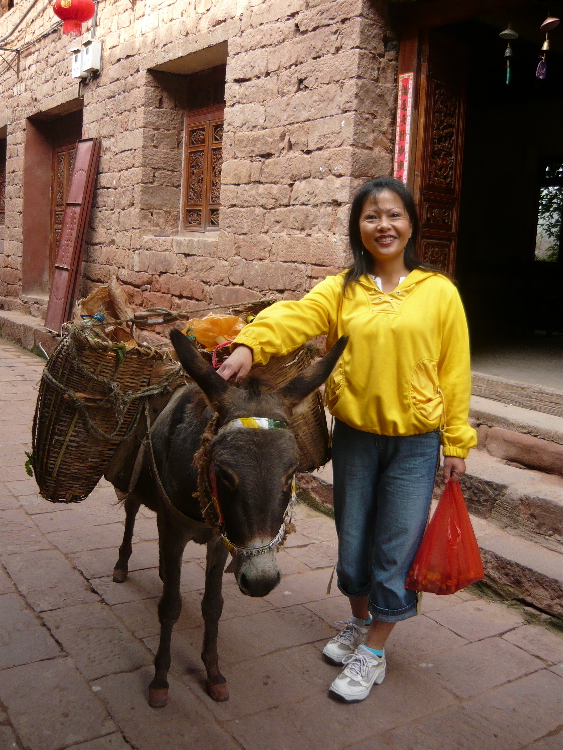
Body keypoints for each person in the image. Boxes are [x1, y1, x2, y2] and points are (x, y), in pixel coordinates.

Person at [218, 176, 477, 702]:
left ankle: (376, 651)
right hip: (356, 437)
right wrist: (249, 344)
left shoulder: (439, 293)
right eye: (372, 216)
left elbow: (456, 372)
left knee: (396, 546)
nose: (384, 225)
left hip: (416, 441)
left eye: (394, 215)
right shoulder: (341, 290)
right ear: (359, 228)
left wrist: (457, 442)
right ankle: (360, 624)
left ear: (411, 224)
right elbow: (295, 316)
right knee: (353, 539)